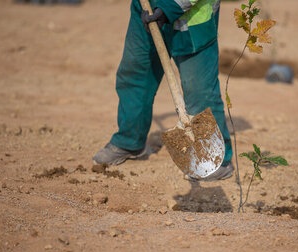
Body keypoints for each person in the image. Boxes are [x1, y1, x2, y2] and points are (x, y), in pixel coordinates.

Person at [93, 0, 233, 181]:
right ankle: (129, 141)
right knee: (136, 73)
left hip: (191, 19)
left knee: (199, 92)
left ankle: (216, 162)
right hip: (147, 8)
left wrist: (169, 7)